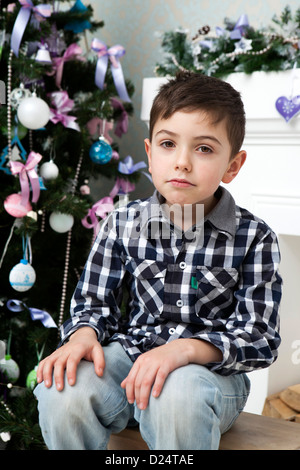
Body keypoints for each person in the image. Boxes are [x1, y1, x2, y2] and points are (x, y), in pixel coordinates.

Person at [34, 71, 282, 450]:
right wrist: (83, 334)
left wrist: (185, 349)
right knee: (63, 389)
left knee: (178, 392)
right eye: (168, 144)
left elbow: (259, 338)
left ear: (232, 165)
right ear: (150, 153)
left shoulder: (255, 237)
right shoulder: (122, 223)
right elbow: (93, 304)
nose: (181, 162)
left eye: (204, 149)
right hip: (130, 359)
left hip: (208, 378)